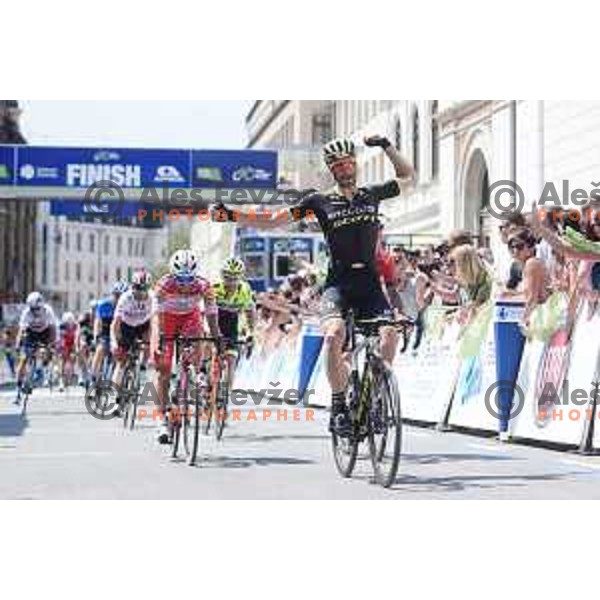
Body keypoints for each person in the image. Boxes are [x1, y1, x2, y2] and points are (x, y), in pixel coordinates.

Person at [216, 135, 415, 434]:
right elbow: (274, 219)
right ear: (332, 170)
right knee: (334, 336)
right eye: (339, 165)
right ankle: (338, 405)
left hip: (369, 283)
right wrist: (233, 214)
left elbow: (407, 177)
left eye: (349, 163)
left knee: (390, 336)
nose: (345, 169)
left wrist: (386, 146)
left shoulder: (371, 194)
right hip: (339, 283)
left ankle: (375, 397)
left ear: (355, 165)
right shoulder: (318, 202)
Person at [152, 249, 221, 444]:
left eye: (188, 279)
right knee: (163, 371)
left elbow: (211, 314)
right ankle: (161, 420)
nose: (184, 284)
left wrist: (217, 337)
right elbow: (156, 318)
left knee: (197, 334)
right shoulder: (164, 284)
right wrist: (158, 339)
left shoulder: (204, 286)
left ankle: (196, 371)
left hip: (190, 317)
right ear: (173, 275)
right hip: (167, 319)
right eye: (180, 279)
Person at [110, 269, 153, 411]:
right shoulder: (125, 298)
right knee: (121, 363)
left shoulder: (152, 298)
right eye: (137, 288)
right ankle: (116, 399)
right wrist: (114, 343)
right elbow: (115, 324)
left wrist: (154, 344)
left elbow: (157, 322)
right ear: (132, 287)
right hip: (126, 326)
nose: (140, 292)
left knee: (148, 340)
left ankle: (142, 368)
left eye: (143, 289)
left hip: (143, 325)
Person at [212, 257, 256, 390]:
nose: (231, 282)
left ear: (240, 277)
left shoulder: (245, 290)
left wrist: (251, 332)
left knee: (231, 360)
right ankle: (204, 372)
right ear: (222, 276)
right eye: (228, 278)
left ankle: (225, 398)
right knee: (211, 350)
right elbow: (204, 312)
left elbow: (250, 312)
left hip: (232, 324)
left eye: (235, 278)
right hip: (214, 320)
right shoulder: (215, 288)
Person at [15, 292, 57, 399]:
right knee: (23, 358)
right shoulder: (26, 312)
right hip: (31, 333)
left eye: (37, 309)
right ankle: (19, 385)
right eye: (32, 309)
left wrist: (51, 344)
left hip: (45, 333)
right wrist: (18, 343)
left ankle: (41, 369)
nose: (35, 312)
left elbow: (53, 329)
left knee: (44, 351)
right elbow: (21, 330)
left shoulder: (48, 311)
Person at [91, 280, 129, 382]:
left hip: (119, 333)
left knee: (122, 354)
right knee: (100, 349)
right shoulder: (104, 305)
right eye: (117, 295)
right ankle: (93, 376)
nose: (118, 299)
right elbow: (98, 322)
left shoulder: (127, 306)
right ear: (113, 294)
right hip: (105, 331)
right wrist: (96, 336)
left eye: (121, 296)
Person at [58, 312, 77, 392]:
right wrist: (63, 350)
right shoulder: (61, 327)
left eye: (70, 323)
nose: (69, 325)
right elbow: (61, 340)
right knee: (62, 359)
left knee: (73, 357)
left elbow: (77, 338)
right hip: (64, 344)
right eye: (67, 324)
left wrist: (75, 349)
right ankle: (61, 381)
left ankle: (72, 372)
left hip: (72, 343)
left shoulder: (75, 326)